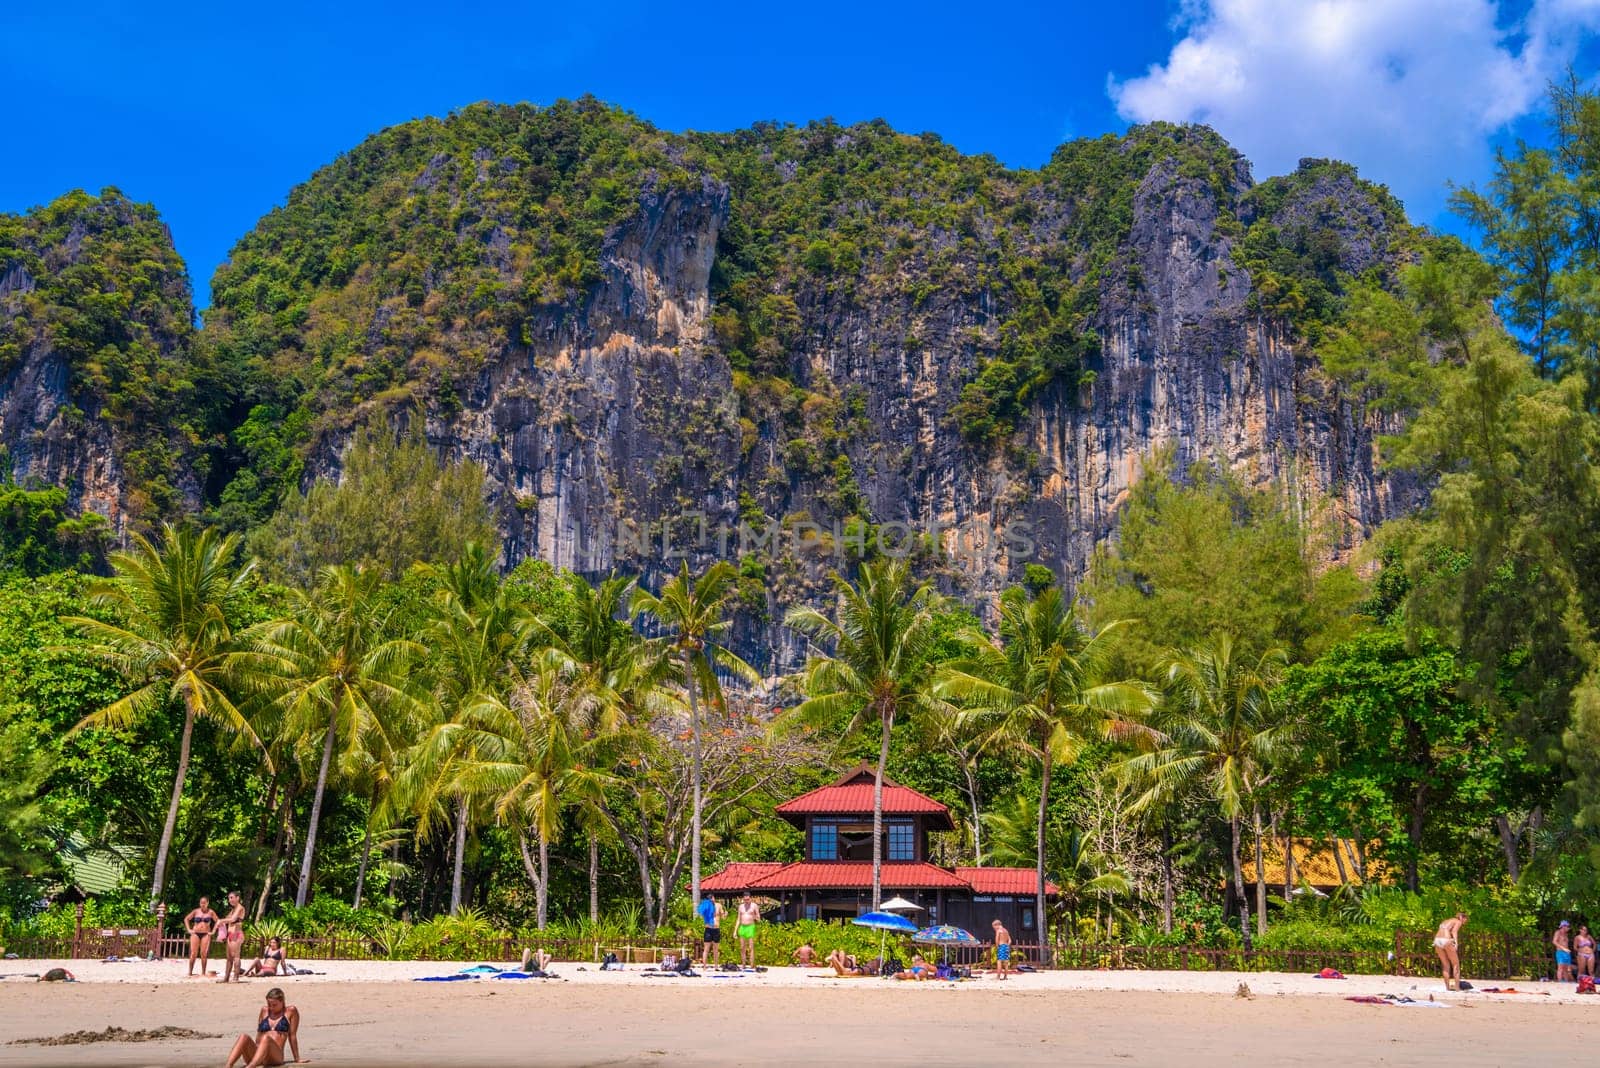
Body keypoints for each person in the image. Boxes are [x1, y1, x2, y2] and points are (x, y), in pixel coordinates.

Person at [224, 986, 301, 1067]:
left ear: (282, 1001)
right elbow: (259, 1035)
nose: (271, 1007)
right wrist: (254, 1051)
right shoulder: (264, 1010)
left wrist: (297, 1058)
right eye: (269, 1004)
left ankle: (251, 1066)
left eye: (274, 1005)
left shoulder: (291, 1011)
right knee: (244, 1037)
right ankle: (228, 1065)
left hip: (275, 1056)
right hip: (259, 1055)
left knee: (266, 1038)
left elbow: (292, 1036)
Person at [184, 896, 218, 978]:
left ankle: (203, 972)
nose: (202, 904)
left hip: (205, 934)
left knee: (203, 953)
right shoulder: (196, 911)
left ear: (207, 903)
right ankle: (190, 972)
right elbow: (186, 919)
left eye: (204, 903)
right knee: (193, 953)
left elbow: (218, 921)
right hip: (195, 933)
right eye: (201, 903)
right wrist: (189, 929)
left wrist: (213, 931)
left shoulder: (211, 912)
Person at [217, 891, 247, 983]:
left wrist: (221, 921)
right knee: (229, 957)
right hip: (230, 935)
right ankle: (226, 978)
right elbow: (228, 919)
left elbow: (233, 919)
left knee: (236, 956)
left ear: (238, 898)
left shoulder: (240, 908)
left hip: (236, 934)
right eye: (229, 898)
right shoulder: (233, 909)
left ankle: (236, 978)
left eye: (231, 897)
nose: (230, 900)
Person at [1434, 911, 1467, 991]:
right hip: (1446, 940)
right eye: (1465, 920)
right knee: (1456, 964)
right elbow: (1454, 931)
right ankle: (1457, 988)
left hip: (1437, 940)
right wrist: (1456, 943)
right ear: (1462, 918)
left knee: (1446, 965)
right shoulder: (1458, 921)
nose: (1465, 922)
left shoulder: (1445, 921)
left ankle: (1447, 988)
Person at [697, 895, 724, 966]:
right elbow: (701, 914)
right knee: (706, 949)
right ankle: (704, 966)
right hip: (708, 929)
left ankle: (716, 966)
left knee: (716, 949)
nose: (711, 900)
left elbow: (722, 916)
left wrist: (725, 915)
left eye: (712, 899)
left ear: (714, 898)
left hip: (716, 929)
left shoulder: (719, 905)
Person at [736, 893, 760, 968]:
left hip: (750, 927)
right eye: (745, 900)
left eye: (748, 899)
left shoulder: (754, 906)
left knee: (751, 947)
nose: (746, 901)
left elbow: (759, 919)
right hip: (742, 927)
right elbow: (738, 919)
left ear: (750, 898)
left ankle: (751, 964)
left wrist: (754, 916)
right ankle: (743, 964)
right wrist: (735, 930)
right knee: (742, 947)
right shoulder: (740, 907)